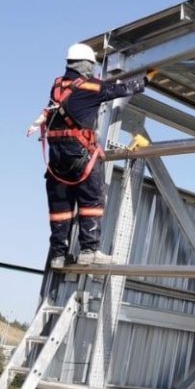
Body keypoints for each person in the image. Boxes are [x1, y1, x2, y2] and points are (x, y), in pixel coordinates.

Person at [31, 43, 152, 268]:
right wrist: (145, 79)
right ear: (85, 65)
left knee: (60, 207)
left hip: (56, 158)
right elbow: (122, 90)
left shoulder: (57, 86)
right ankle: (89, 251)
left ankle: (58, 256)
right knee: (92, 199)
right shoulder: (92, 86)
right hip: (79, 154)